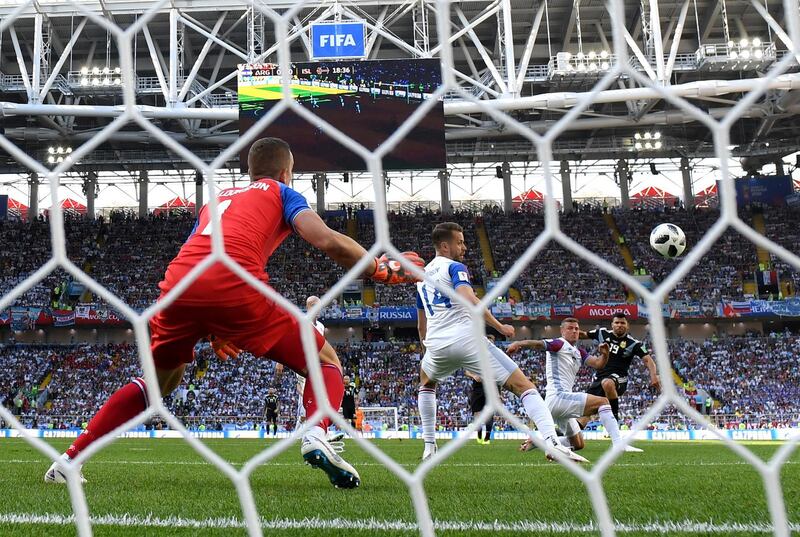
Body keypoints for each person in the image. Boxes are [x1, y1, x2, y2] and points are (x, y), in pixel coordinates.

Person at [45, 137, 423, 489]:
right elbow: (326, 240)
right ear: (287, 172)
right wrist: (379, 269)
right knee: (324, 359)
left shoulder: (216, 198)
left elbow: (200, 253)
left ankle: (70, 460)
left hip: (178, 283)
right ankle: (315, 433)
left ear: (249, 171)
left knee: (160, 385)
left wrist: (214, 324)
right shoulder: (281, 192)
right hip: (234, 281)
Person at [415, 222, 588, 463]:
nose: (464, 247)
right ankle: (551, 442)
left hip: (436, 345)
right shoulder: (456, 267)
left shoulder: (421, 280)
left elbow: (421, 325)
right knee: (524, 386)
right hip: (466, 340)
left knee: (426, 383)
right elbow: (469, 299)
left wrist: (427, 350)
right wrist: (499, 326)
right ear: (445, 245)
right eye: (460, 242)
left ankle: (429, 445)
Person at [508, 318, 629, 453]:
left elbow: (598, 364)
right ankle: (618, 443)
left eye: (577, 328)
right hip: (558, 397)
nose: (574, 331)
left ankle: (538, 443)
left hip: (560, 403)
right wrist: (519, 343)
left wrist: (605, 354)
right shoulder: (559, 343)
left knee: (578, 444)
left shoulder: (579, 352)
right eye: (570, 328)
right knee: (603, 402)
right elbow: (538, 344)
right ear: (562, 331)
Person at [576, 312, 660, 452]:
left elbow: (648, 360)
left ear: (627, 326)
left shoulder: (633, 344)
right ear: (612, 324)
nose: (619, 325)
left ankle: (614, 419)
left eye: (622, 323)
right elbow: (583, 335)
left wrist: (654, 376)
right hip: (599, 379)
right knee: (584, 415)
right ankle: (561, 439)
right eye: (617, 322)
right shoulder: (602, 333)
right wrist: (566, 337)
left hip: (619, 379)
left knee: (608, 383)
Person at [464, 370, 493, 444]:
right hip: (477, 392)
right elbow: (466, 372)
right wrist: (473, 376)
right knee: (477, 415)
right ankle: (479, 435)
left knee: (489, 415)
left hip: (489, 391)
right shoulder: (474, 361)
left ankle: (487, 438)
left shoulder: (491, 363)